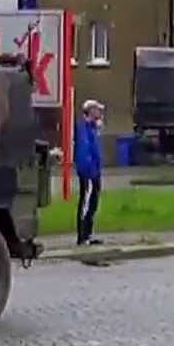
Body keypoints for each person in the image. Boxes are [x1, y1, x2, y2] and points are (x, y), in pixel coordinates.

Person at [74, 99, 105, 246]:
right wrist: (89, 170)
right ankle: (82, 236)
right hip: (89, 172)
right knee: (86, 202)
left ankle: (88, 234)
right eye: (97, 110)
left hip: (95, 171)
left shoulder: (92, 128)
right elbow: (84, 151)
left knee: (94, 202)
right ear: (90, 111)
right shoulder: (84, 128)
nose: (99, 113)